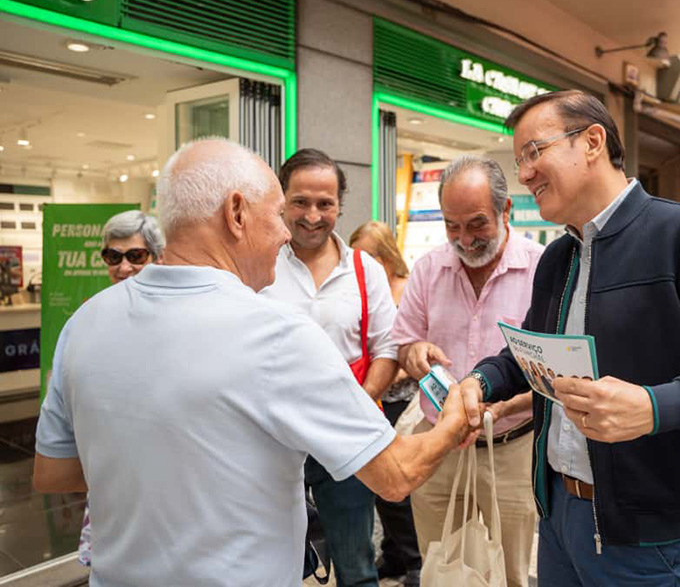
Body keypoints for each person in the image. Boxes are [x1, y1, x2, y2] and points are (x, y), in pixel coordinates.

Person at [32, 138, 470, 587]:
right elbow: (396, 474)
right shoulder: (278, 333)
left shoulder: (85, 322)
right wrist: (454, 418)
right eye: (279, 213)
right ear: (236, 213)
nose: (286, 233)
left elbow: (54, 471)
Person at [455, 90, 680, 586]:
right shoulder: (559, 256)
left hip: (646, 537)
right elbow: (532, 348)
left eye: (534, 152)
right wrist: (482, 380)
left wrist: (655, 406)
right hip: (557, 514)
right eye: (519, 160)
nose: (524, 174)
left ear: (593, 141)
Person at [392, 155, 543, 587]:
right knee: (441, 568)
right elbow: (404, 344)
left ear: (505, 210)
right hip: (438, 444)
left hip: (513, 447)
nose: (465, 239)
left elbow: (550, 370)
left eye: (477, 224)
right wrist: (415, 352)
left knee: (511, 573)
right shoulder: (428, 268)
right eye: (451, 226)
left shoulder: (540, 267)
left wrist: (507, 405)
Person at [261, 149, 399, 587]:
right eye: (300, 202)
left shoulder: (365, 270)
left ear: (340, 205)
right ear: (281, 200)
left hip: (347, 441)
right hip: (272, 439)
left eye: (325, 203)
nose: (312, 216)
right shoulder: (260, 264)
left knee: (356, 564)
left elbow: (388, 349)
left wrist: (355, 404)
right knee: (269, 561)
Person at [78, 210, 166, 567]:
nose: (123, 267)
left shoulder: (175, 314)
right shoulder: (91, 315)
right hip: (112, 458)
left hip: (164, 459)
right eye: (113, 256)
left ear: (158, 257)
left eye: (136, 256)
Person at [349, 220, 422, 586]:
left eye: (368, 256)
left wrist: (384, 373)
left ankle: (414, 559)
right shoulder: (357, 287)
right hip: (370, 395)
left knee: (393, 484)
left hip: (399, 400)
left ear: (385, 256)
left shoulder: (406, 289)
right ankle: (394, 555)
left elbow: (409, 345)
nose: (360, 263)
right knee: (379, 488)